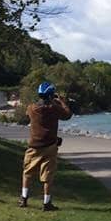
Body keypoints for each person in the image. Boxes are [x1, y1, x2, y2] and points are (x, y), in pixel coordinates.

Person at [20, 81, 72, 211]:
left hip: (33, 146)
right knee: (47, 176)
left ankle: (24, 199)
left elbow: (28, 115)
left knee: (27, 173)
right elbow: (67, 115)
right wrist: (61, 101)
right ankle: (46, 203)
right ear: (50, 95)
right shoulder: (54, 108)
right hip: (49, 146)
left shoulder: (31, 108)